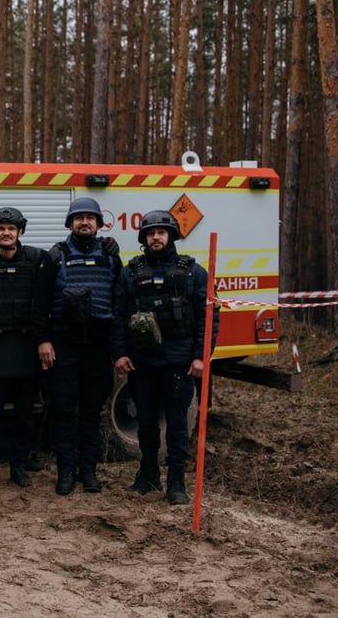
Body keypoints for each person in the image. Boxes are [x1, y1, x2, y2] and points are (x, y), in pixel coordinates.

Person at [112, 210, 218, 505]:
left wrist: (201, 357)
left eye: (161, 232)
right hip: (141, 362)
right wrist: (119, 353)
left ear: (171, 235)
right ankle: (147, 477)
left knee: (177, 424)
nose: (156, 237)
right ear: (143, 238)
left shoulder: (193, 272)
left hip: (178, 362)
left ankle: (176, 483)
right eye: (150, 233)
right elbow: (118, 316)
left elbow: (208, 317)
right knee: (146, 422)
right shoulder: (130, 272)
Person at [39, 198, 122, 495]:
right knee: (63, 410)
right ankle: (65, 472)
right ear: (70, 224)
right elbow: (41, 303)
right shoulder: (56, 255)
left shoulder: (112, 257)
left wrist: (118, 349)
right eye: (78, 218)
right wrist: (45, 339)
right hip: (65, 346)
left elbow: (119, 304)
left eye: (90, 218)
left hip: (98, 348)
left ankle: (88, 472)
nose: (84, 222)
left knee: (91, 412)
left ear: (99, 223)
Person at [0, 207, 53, 488]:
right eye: (1, 227)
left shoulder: (38, 260)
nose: (6, 232)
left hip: (26, 346)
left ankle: (19, 466)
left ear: (20, 231)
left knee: (24, 413)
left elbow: (47, 298)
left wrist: (106, 244)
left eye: (11, 228)